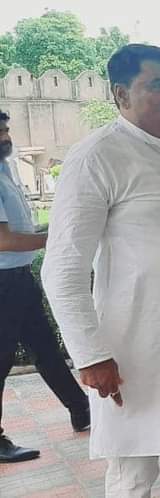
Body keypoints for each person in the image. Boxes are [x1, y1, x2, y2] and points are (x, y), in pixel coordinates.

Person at [41, 44, 160, 497]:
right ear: (120, 94)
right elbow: (63, 266)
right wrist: (90, 354)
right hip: (132, 344)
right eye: (159, 85)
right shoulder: (96, 156)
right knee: (136, 472)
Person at [0, 111, 90, 464]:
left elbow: (22, 228)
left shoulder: (6, 171)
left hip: (18, 279)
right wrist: (55, 238)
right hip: (3, 282)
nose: (5, 137)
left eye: (6, 130)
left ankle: (81, 410)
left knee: (46, 349)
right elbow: (4, 241)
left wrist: (53, 230)